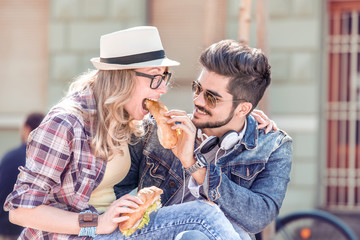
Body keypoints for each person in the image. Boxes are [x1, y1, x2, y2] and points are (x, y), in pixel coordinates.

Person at [3, 26, 248, 240]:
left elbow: (201, 125)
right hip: (81, 235)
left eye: (165, 77)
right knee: (203, 215)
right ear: (122, 78)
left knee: (222, 232)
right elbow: (21, 210)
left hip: (121, 229)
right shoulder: (66, 123)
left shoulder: (126, 118)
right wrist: (96, 223)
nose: (163, 88)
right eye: (155, 78)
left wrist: (243, 115)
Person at [115, 40, 293, 239]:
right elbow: (116, 189)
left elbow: (258, 217)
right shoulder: (156, 131)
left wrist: (193, 165)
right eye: (197, 88)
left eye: (211, 97)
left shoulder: (272, 147)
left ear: (243, 109)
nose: (197, 100)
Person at [0, 113, 44, 240]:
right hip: (40, 229)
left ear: (27, 129)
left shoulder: (10, 158)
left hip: (9, 229)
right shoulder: (49, 161)